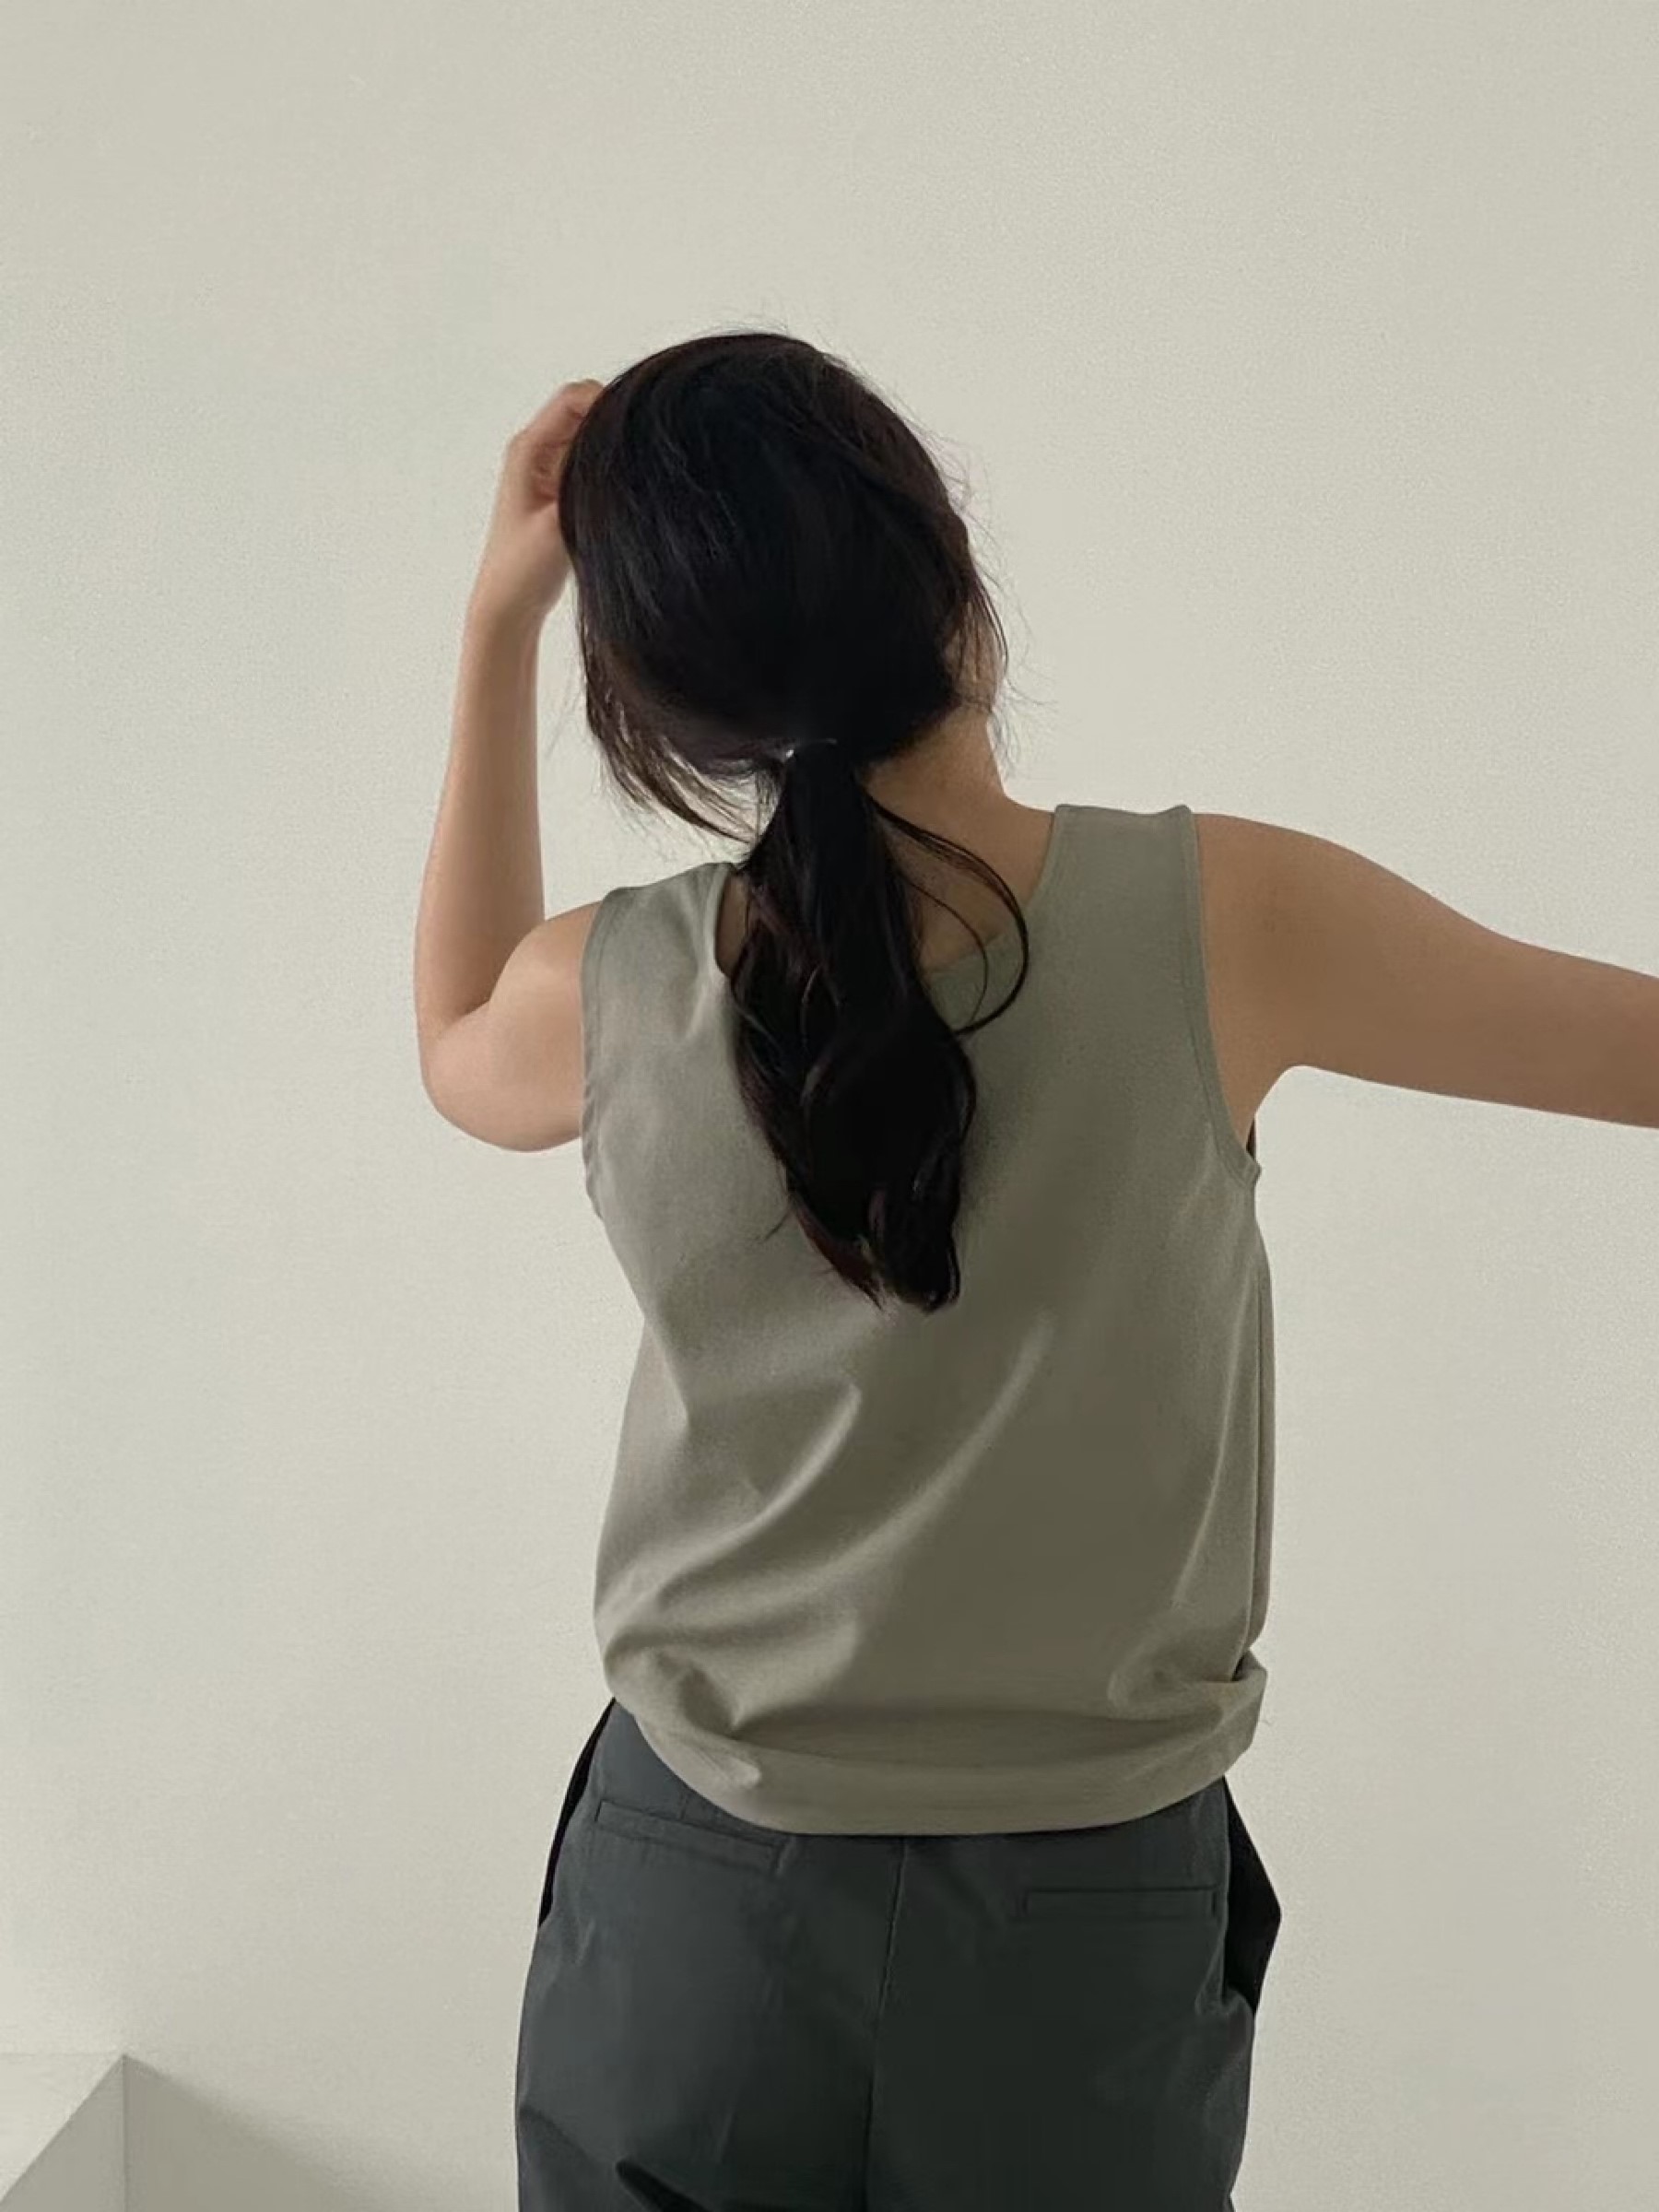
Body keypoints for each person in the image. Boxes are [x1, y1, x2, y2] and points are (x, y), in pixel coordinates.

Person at [414, 331, 1659, 2210]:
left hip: (698, 1899)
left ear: (672, 709)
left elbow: (448, 1038)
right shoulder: (1230, 919)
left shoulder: (601, 990)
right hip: (1086, 1912)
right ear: (956, 592)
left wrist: (498, 620)